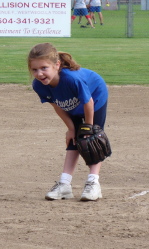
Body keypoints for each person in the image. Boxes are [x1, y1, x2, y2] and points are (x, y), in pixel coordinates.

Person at [28, 43, 109, 201]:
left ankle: (93, 183)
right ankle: (64, 185)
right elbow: (58, 107)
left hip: (95, 97)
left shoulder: (71, 79)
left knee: (92, 141)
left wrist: (89, 128)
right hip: (74, 104)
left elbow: (89, 103)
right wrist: (71, 128)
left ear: (57, 65)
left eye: (44, 68)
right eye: (35, 69)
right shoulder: (39, 85)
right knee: (74, 140)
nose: (39, 73)